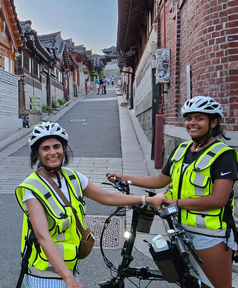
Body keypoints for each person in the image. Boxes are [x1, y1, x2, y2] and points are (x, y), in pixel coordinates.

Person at [108, 96, 238, 288]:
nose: (191, 123)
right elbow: (160, 180)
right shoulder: (182, 149)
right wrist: (125, 177)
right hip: (180, 230)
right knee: (189, 283)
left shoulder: (224, 155)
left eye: (199, 118)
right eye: (188, 118)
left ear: (214, 122)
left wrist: (175, 203)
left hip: (210, 236)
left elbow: (218, 199)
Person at [15, 122, 166, 288]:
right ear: (37, 153)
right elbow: (43, 236)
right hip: (44, 275)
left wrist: (146, 200)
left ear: (64, 148)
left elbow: (106, 196)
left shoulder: (72, 177)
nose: (52, 152)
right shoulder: (32, 188)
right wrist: (68, 279)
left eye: (56, 146)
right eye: (45, 148)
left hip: (69, 268)